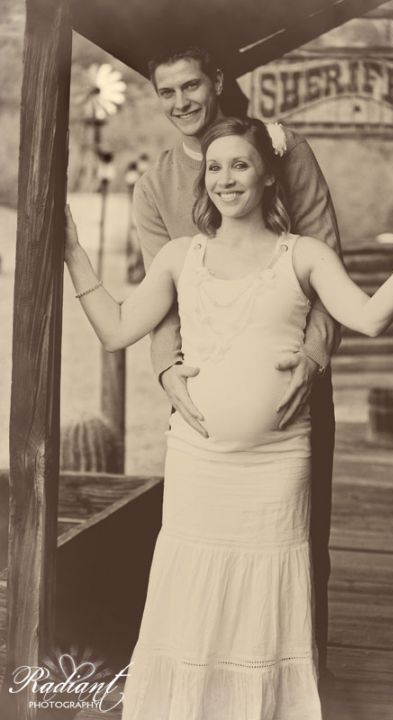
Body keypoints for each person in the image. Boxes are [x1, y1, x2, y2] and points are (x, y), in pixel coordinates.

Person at [64, 116, 393, 720]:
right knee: (193, 596)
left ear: (268, 175)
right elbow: (115, 329)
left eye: (240, 164)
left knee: (264, 601)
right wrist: (73, 253)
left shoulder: (304, 255)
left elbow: (369, 318)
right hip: (198, 464)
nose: (225, 178)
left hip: (276, 465)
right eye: (214, 167)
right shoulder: (182, 256)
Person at [133, 45, 341, 675]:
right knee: (202, 545)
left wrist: (313, 357)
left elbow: (325, 263)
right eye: (167, 92)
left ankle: (300, 674)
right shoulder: (154, 186)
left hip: (289, 389)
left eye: (192, 86)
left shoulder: (283, 151)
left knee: (300, 537)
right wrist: (167, 370)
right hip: (204, 400)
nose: (182, 102)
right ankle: (208, 675)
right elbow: (159, 303)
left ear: (217, 81)